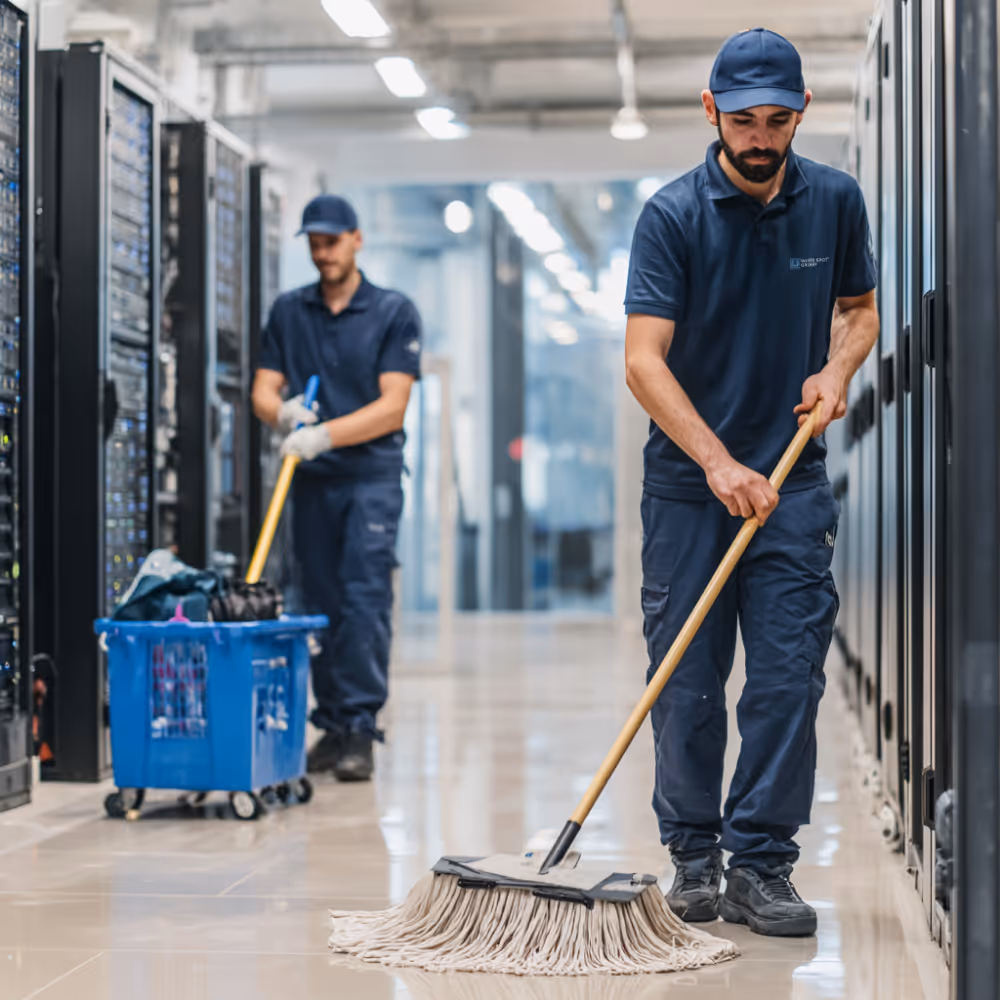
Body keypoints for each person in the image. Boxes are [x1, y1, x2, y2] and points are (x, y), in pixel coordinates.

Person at [624, 28, 879, 937]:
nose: (760, 138)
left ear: (801, 113)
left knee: (786, 678)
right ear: (711, 112)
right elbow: (645, 363)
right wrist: (717, 461)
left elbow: (859, 312)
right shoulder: (672, 216)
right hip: (694, 488)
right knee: (687, 679)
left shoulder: (835, 203)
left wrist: (839, 369)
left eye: (778, 120)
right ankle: (694, 859)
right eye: (743, 120)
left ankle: (761, 865)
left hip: (792, 482)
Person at [252, 194, 421, 782]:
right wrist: (282, 415)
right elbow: (263, 389)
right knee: (315, 600)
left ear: (356, 239)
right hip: (311, 480)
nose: (322, 253)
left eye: (331, 241)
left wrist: (323, 435)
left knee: (362, 599)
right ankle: (329, 722)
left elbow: (393, 408)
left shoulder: (393, 311)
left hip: (369, 479)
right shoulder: (289, 312)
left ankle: (359, 727)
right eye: (314, 243)